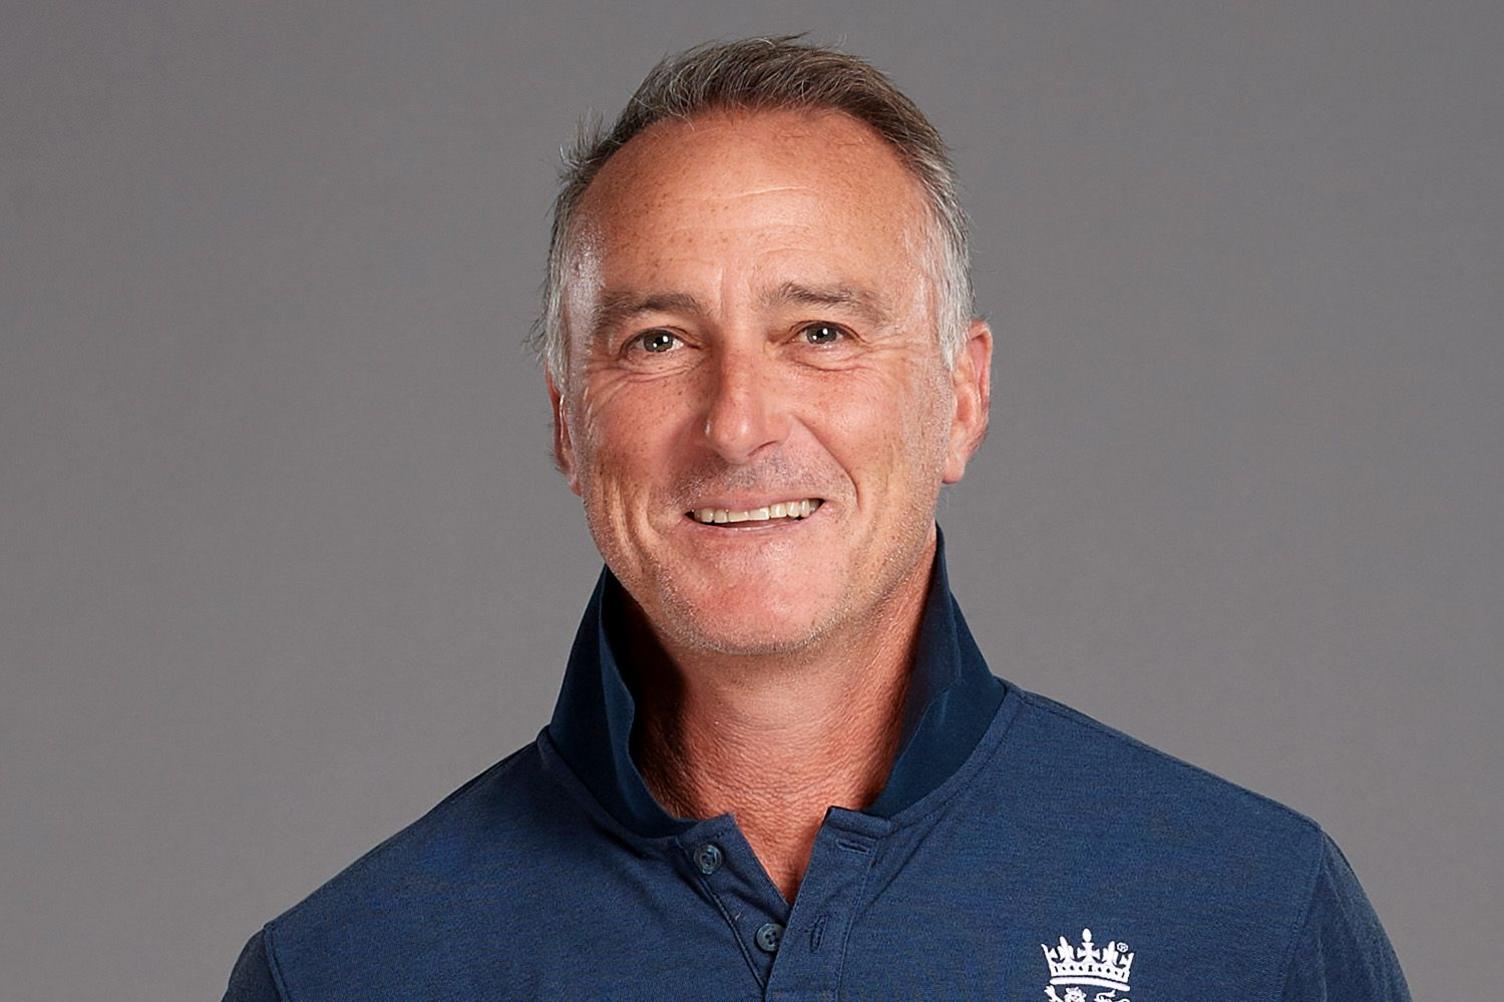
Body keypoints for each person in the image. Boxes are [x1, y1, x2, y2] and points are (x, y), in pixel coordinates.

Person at [224, 37, 1410, 1001]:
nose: (738, 424)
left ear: (959, 398)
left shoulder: (1247, 916)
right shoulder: (349, 968)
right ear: (566, 427)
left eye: (821, 333)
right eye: (657, 341)